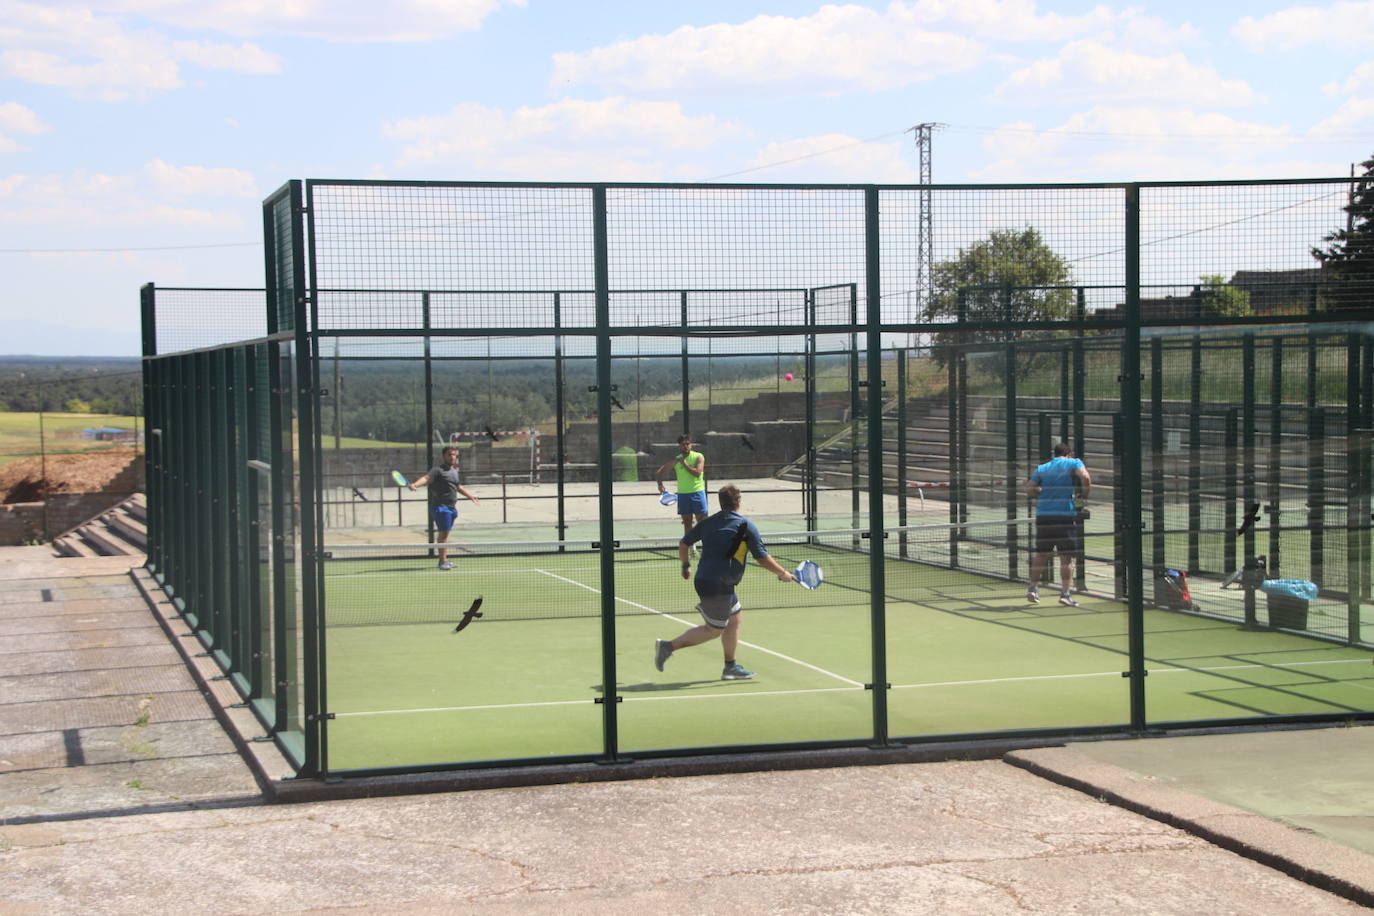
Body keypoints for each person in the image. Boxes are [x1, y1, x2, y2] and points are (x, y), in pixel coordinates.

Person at [653, 484, 794, 680]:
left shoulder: (708, 523)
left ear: (721, 503)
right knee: (713, 630)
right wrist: (783, 573)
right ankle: (668, 647)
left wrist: (685, 565)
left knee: (734, 620)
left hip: (714, 581)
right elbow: (761, 557)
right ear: (738, 502)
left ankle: (731, 667)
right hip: (716, 584)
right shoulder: (745, 526)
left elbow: (684, 543)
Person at [1024, 442, 1091, 606]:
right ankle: (1065, 594)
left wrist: (1040, 492)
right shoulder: (1074, 462)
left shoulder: (1042, 468)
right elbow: (1086, 478)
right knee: (1066, 558)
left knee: (1041, 554)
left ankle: (1032, 589)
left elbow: (1030, 489)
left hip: (1044, 516)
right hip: (1064, 517)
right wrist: (1084, 495)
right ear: (1069, 453)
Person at [408, 445, 480, 570]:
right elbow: (426, 478)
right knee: (443, 535)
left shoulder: (454, 471)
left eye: (454, 455)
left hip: (451, 508)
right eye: (449, 454)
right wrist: (415, 484)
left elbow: (457, 487)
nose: (452, 457)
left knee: (444, 534)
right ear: (443, 456)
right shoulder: (437, 470)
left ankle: (444, 559)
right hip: (441, 507)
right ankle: (442, 561)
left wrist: (471, 496)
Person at [655, 434, 708, 537]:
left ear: (691, 445)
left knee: (703, 523)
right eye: (683, 444)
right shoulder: (676, 460)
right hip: (683, 495)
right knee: (687, 524)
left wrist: (684, 464)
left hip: (698, 493)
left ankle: (707, 547)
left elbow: (697, 473)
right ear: (679, 446)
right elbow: (659, 472)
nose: (685, 446)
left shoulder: (698, 456)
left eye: (687, 444)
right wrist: (660, 484)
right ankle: (692, 550)